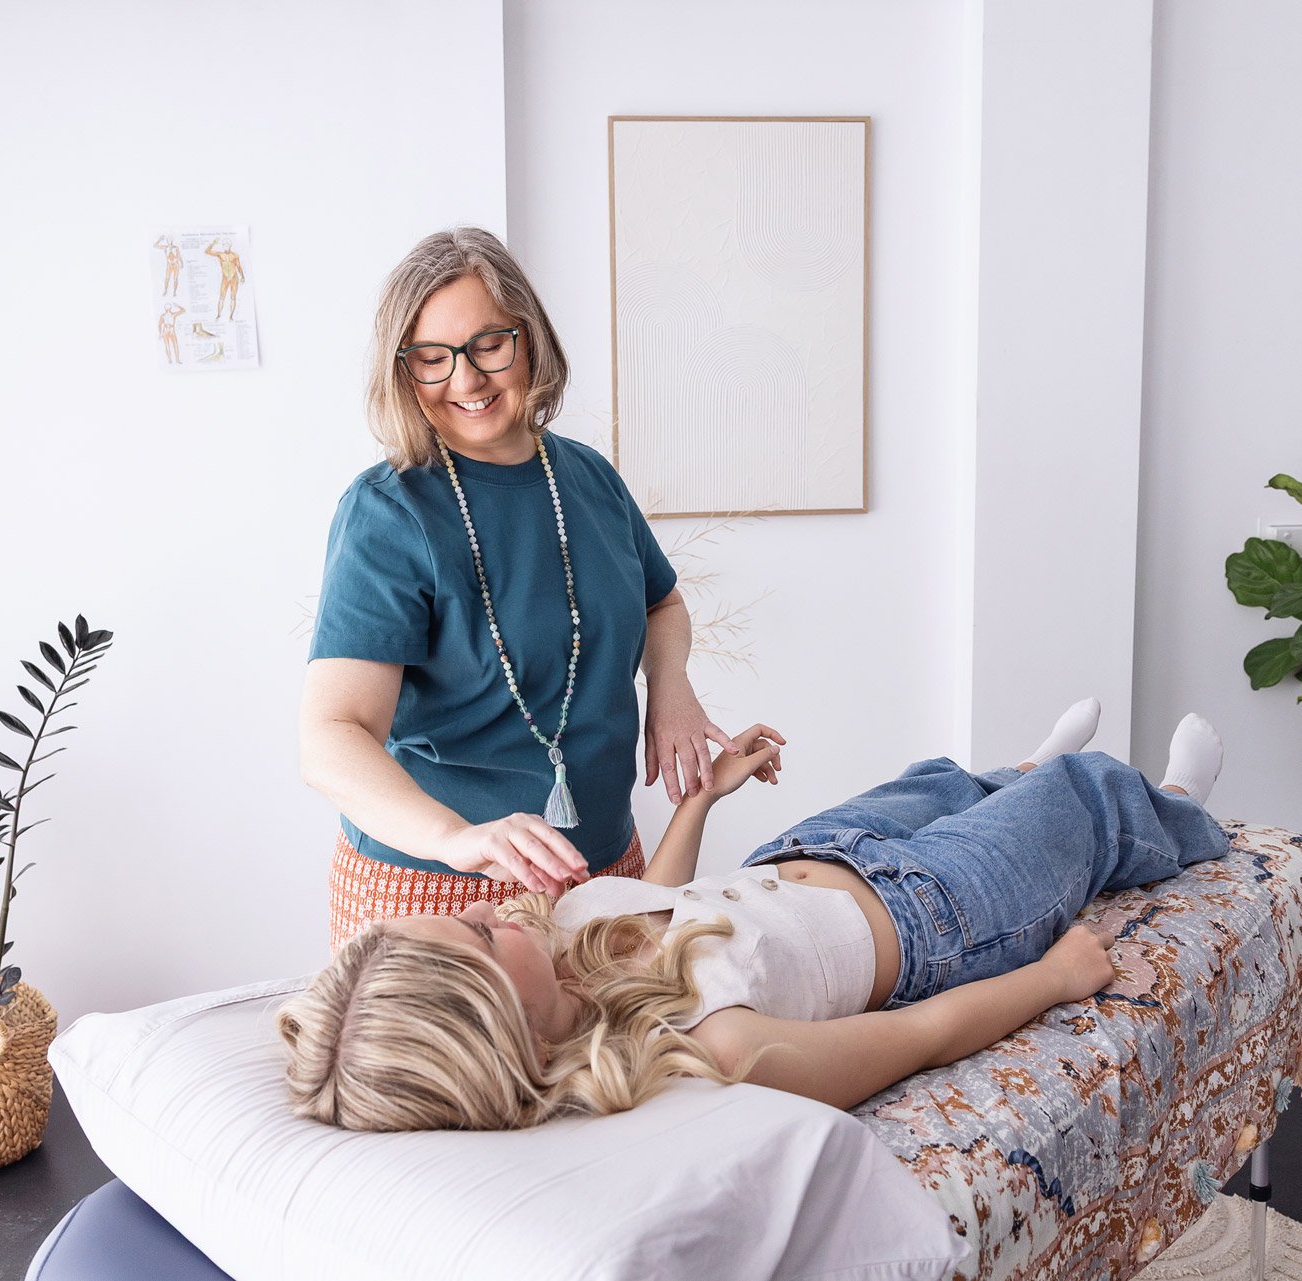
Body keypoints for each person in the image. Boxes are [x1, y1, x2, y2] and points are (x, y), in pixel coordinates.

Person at [279, 700, 1233, 1132]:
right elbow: (919, 1036)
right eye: (485, 938)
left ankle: (1009, 777)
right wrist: (1060, 976)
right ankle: (1179, 799)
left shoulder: (568, 933)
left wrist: (704, 801)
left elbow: (664, 900)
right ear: (510, 1034)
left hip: (809, 857)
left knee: (934, 778)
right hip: (940, 919)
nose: (494, 908)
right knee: (1084, 795)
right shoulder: (715, 1049)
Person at [301, 228, 741, 948]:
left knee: (617, 1063)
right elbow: (330, 738)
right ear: (403, 371)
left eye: (488, 345)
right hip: (437, 890)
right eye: (432, 358)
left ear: (529, 339)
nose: (466, 378)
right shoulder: (388, 511)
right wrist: (457, 838)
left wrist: (671, 686)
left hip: (606, 866)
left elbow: (662, 601)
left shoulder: (588, 477)